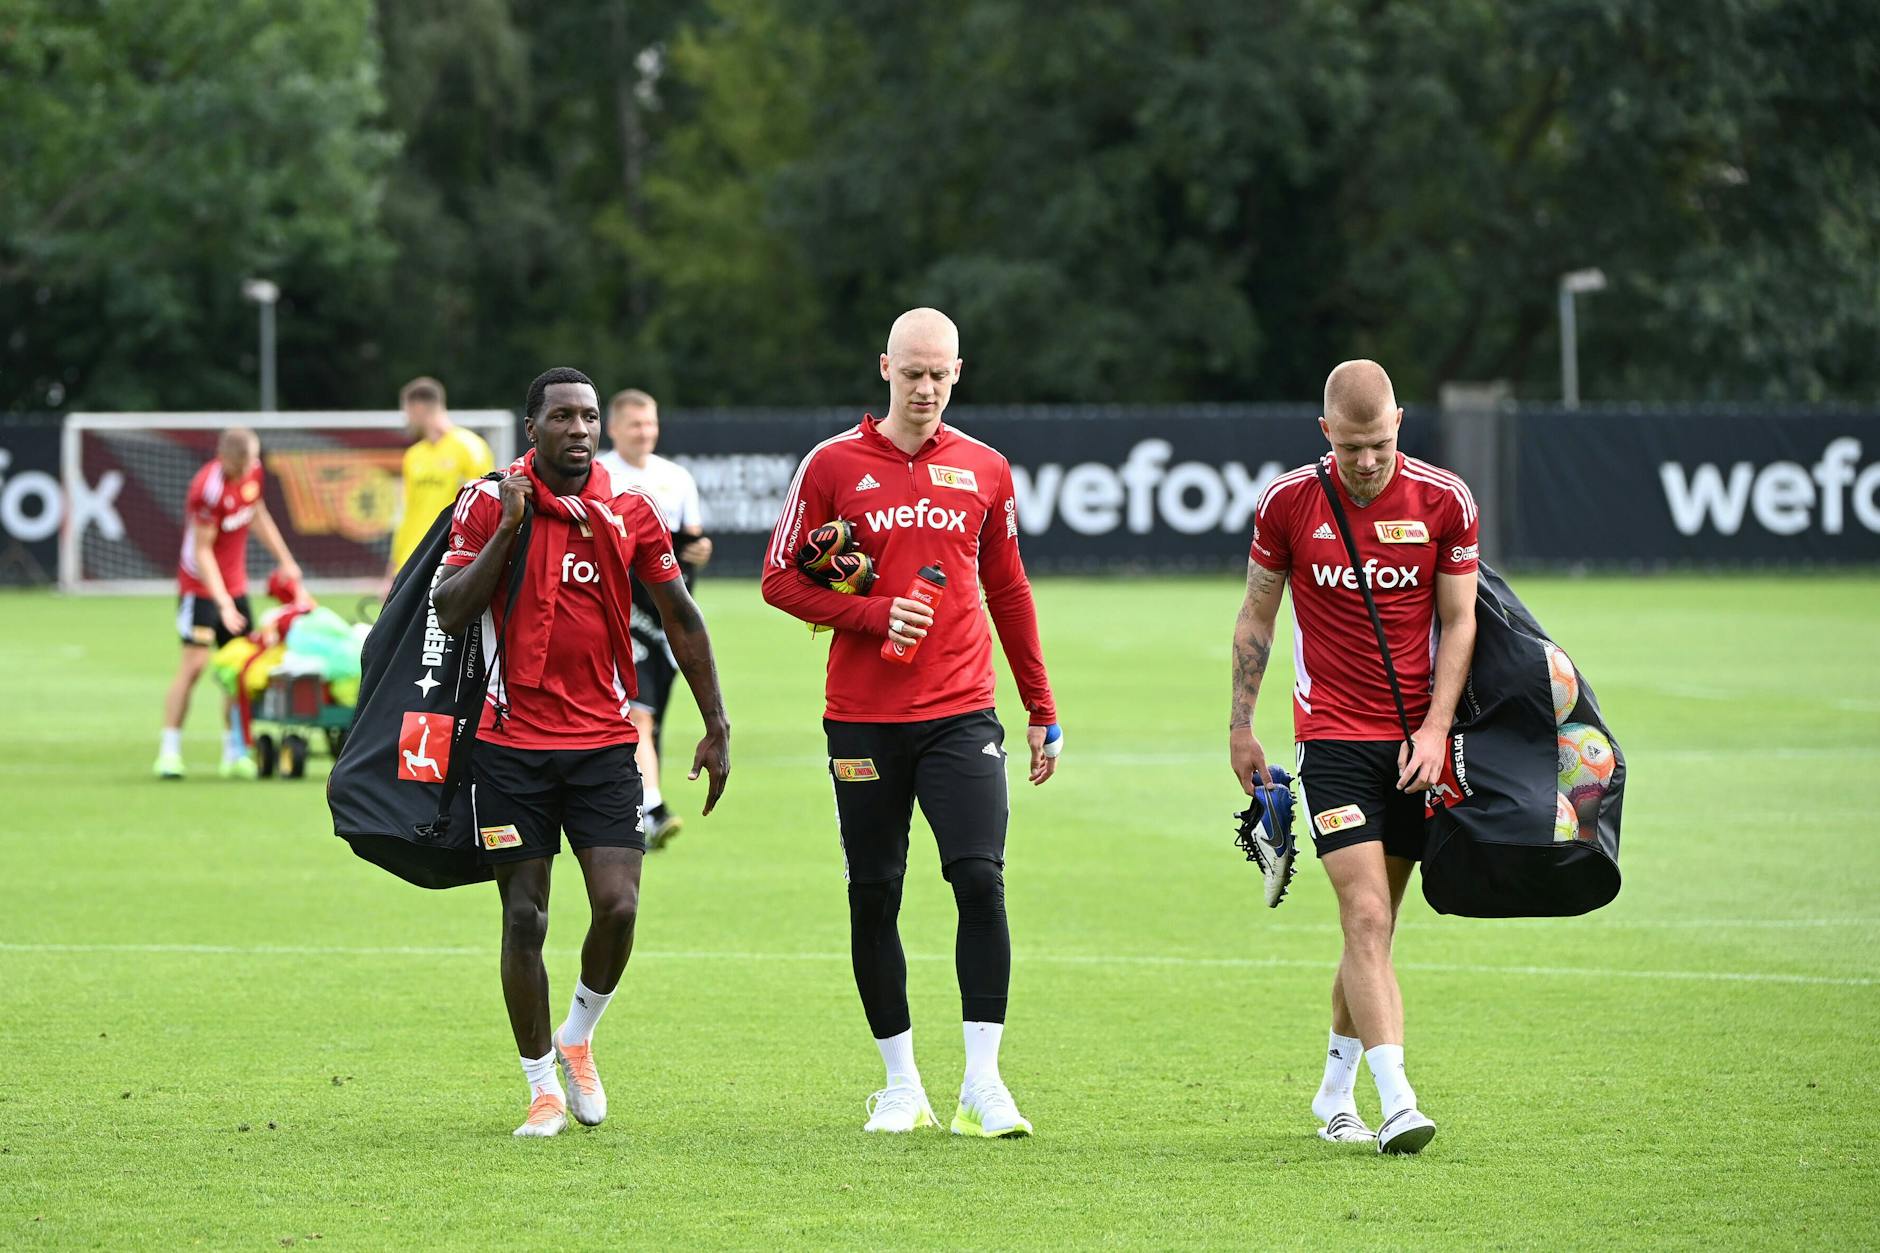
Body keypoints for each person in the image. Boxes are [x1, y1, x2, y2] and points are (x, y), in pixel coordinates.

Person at [761, 308, 1061, 1138]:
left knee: (980, 879)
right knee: (874, 892)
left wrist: (1041, 707)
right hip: (860, 719)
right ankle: (901, 1085)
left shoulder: (986, 468)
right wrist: (872, 613)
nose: (924, 388)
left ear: (958, 372)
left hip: (963, 712)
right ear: (884, 366)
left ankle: (983, 1084)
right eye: (911, 372)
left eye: (939, 374)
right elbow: (778, 579)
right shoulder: (830, 464)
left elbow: (1010, 591)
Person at [431, 367, 731, 1138]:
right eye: (562, 416)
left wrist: (715, 721)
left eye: (589, 417)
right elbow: (452, 608)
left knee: (620, 905)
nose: (580, 429)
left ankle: (578, 1035)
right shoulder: (485, 501)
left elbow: (681, 615)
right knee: (524, 918)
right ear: (531, 427)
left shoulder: (629, 509)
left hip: (602, 742)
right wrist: (508, 528)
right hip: (509, 746)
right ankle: (540, 1087)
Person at [1228, 360, 1478, 1155]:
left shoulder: (1446, 500)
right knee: (1364, 914)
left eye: (1378, 445)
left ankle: (1334, 1093)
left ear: (1399, 423)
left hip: (1412, 745)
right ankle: (1397, 1100)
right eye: (1351, 447)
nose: (1366, 463)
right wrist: (1241, 726)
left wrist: (1437, 729)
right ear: (1324, 430)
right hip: (1330, 738)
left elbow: (1461, 622)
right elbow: (1258, 614)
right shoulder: (1288, 503)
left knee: (1376, 927)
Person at [596, 389, 714, 850]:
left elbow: (693, 542)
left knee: (650, 720)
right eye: (635, 424)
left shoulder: (677, 477)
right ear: (614, 428)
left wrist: (702, 551)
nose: (645, 432)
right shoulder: (600, 475)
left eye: (650, 424)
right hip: (620, 616)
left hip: (667, 617)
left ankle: (633, 812)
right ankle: (653, 809)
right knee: (638, 716)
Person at [154, 427, 302, 780]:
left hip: (234, 587)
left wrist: (285, 559)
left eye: (253, 460)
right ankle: (169, 752)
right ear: (225, 458)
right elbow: (203, 551)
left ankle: (234, 751)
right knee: (195, 665)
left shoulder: (252, 472)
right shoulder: (207, 488)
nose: (250, 467)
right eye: (244, 462)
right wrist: (222, 603)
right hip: (200, 588)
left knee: (239, 670)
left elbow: (257, 513)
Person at [387, 376, 494, 586]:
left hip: (449, 556)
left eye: (406, 411)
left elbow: (486, 507)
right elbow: (407, 513)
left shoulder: (469, 448)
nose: (406, 419)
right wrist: (392, 567)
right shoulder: (414, 455)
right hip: (412, 559)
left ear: (417, 407)